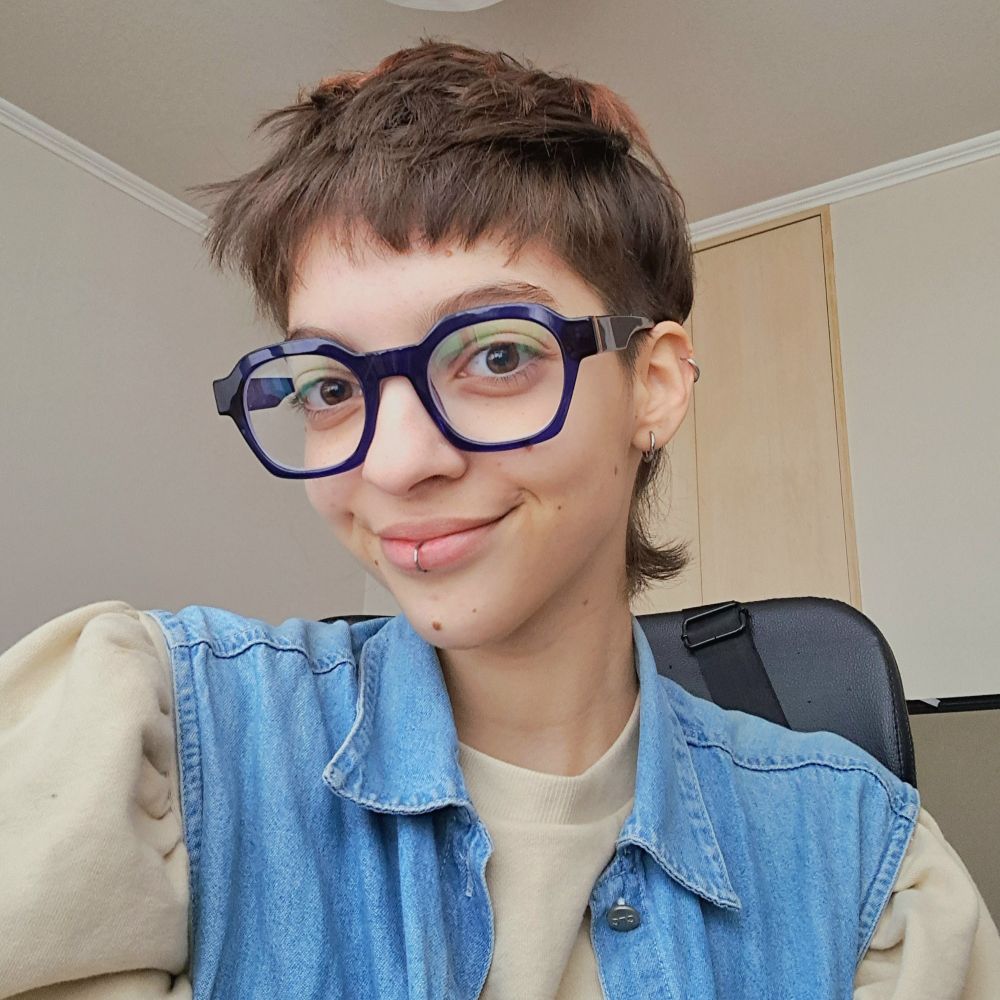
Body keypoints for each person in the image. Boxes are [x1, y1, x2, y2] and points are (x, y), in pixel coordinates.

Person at [1, 38, 998, 1000]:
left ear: (654, 384)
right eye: (329, 385)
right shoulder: (155, 745)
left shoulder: (865, 863)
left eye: (497, 355)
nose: (395, 463)